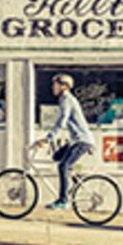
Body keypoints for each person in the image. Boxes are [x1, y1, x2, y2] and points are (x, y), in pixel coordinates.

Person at [33, 73, 95, 210]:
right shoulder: (64, 99)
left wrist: (48, 138)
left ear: (64, 86)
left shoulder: (67, 99)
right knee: (56, 157)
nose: (52, 87)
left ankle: (63, 200)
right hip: (75, 140)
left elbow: (62, 120)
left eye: (55, 84)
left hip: (81, 140)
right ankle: (74, 178)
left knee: (63, 166)